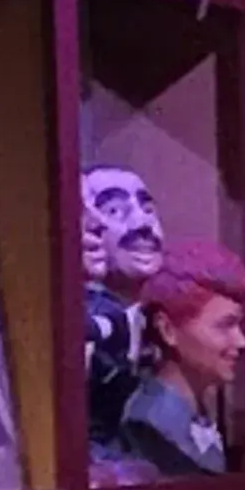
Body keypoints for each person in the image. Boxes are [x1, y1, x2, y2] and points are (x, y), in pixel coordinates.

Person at [117, 243, 245, 477]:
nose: (242, 341)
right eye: (225, 325)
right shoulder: (149, 422)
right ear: (168, 330)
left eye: (238, 325)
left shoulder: (198, 414)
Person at [78, 164, 163, 457]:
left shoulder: (166, 321)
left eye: (148, 209)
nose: (142, 223)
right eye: (114, 210)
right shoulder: (87, 325)